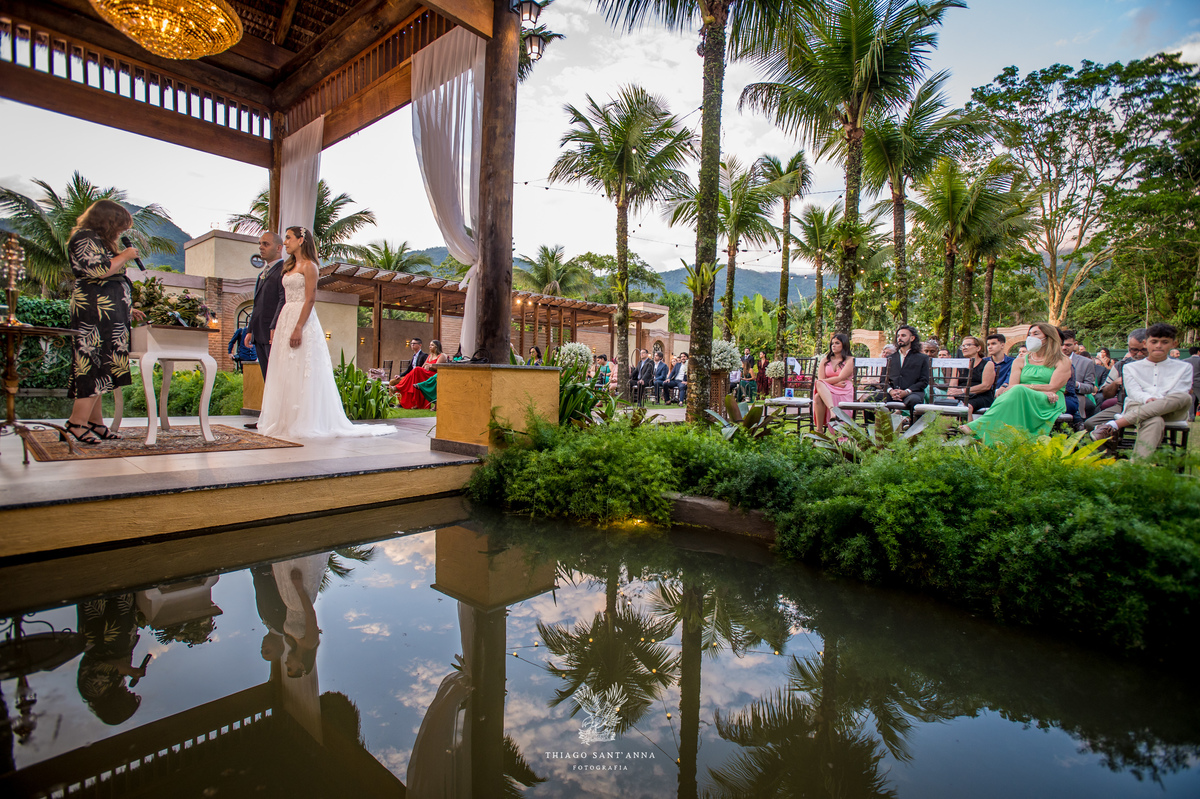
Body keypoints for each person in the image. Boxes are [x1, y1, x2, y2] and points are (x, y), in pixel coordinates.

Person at [258, 226, 394, 440]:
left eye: (289, 238)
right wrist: (278, 326)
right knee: (285, 368)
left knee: (302, 367)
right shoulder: (288, 266)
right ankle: (284, 419)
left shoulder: (310, 266)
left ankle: (305, 421)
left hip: (302, 318)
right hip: (286, 316)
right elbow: (282, 298)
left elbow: (310, 299)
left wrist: (298, 327)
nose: (285, 242)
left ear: (301, 240)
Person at [63, 200, 145, 445]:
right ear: (108, 221)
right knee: (91, 364)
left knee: (103, 368)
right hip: (94, 313)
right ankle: (76, 423)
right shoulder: (84, 237)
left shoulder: (99, 240)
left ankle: (94, 422)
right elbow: (98, 271)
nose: (121, 232)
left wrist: (127, 307)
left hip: (108, 312)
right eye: (120, 226)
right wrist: (125, 256)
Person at [1090, 323, 1193, 457]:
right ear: (1146, 343)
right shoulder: (1129, 367)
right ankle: (1138, 466)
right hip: (1138, 405)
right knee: (1154, 420)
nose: (1159, 346)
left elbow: (1179, 392)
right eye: (1154, 342)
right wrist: (1147, 399)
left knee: (1184, 397)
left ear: (1174, 344)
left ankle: (1114, 425)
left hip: (1171, 411)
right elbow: (1133, 392)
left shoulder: (1184, 367)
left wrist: (1155, 402)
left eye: (1164, 342)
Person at [961, 323, 1071, 443]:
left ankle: (978, 427)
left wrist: (1023, 387)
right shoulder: (1020, 361)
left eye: (1036, 334)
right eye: (1029, 334)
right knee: (1014, 392)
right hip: (1023, 396)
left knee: (1018, 390)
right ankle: (996, 438)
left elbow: (1053, 387)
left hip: (1049, 400)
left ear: (1049, 337)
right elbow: (1012, 387)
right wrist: (1024, 388)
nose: (1031, 337)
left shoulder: (1062, 360)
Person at [243, 233, 286, 429]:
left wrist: (274, 326)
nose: (261, 247)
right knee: (267, 378)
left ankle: (277, 418)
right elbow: (257, 304)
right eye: (260, 244)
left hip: (271, 332)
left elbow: (282, 300)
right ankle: (266, 418)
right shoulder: (263, 273)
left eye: (266, 244)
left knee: (275, 377)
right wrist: (250, 329)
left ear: (278, 248)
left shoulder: (283, 270)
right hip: (258, 332)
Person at [1084, 329, 1148, 431]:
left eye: (1144, 350)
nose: (1139, 354)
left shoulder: (1159, 365)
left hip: (1150, 405)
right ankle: (1110, 439)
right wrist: (1115, 383)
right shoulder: (1121, 365)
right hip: (1123, 405)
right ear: (1128, 348)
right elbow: (1105, 394)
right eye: (1134, 350)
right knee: (1090, 423)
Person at [872, 325, 931, 414]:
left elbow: (924, 381)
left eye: (903, 335)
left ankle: (911, 422)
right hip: (892, 393)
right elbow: (883, 380)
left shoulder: (922, 358)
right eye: (898, 336)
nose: (899, 338)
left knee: (914, 401)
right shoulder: (890, 358)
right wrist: (891, 391)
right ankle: (874, 424)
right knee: (870, 400)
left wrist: (906, 391)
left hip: (912, 393)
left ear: (912, 338)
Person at [813, 333, 854, 434]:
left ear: (844, 344)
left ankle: (823, 427)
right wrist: (834, 385)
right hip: (830, 388)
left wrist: (832, 384)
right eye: (832, 343)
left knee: (818, 386)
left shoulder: (850, 360)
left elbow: (841, 378)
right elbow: (821, 379)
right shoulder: (825, 360)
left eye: (837, 343)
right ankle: (822, 427)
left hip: (844, 388)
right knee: (818, 396)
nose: (833, 346)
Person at [394, 339, 451, 409]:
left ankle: (399, 387)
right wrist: (428, 365)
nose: (430, 346)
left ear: (437, 347)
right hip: (426, 373)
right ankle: (415, 403)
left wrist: (429, 365)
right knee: (415, 376)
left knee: (417, 370)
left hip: (433, 375)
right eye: (430, 345)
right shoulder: (430, 356)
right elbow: (423, 366)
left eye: (432, 345)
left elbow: (437, 367)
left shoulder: (441, 355)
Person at [947, 335, 995, 417]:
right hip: (961, 395)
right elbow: (953, 385)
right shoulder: (958, 365)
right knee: (947, 408)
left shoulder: (987, 364)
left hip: (980, 396)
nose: (964, 348)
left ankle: (967, 425)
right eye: (963, 346)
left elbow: (986, 386)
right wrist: (951, 396)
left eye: (968, 345)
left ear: (978, 348)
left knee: (967, 407)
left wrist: (963, 391)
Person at [1060, 329, 1097, 420]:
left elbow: (1090, 387)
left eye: (1068, 345)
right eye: (1061, 344)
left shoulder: (1086, 362)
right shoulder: (1048, 360)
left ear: (1075, 344)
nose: (1064, 348)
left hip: (1076, 396)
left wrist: (1076, 384)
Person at [1185, 346, 1200, 414]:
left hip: (1189, 383)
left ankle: (1191, 416)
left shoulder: (1185, 361)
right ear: (1198, 352)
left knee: (1191, 401)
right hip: (1198, 382)